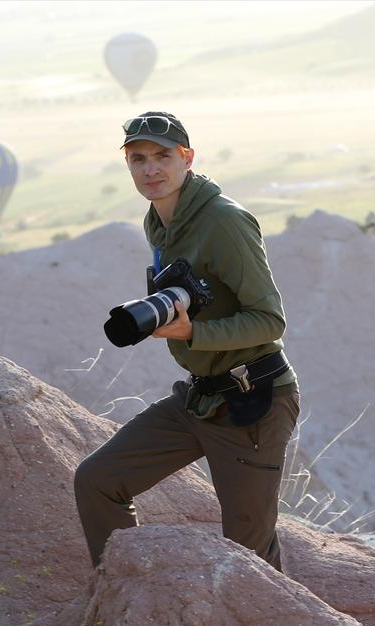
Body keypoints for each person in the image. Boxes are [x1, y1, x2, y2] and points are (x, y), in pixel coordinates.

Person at [74, 111, 300, 572]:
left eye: (162, 156)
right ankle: (126, 592)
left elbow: (269, 320)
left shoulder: (225, 222)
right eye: (138, 159)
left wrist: (194, 332)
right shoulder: (157, 222)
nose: (150, 169)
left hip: (252, 399)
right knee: (97, 480)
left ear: (188, 157)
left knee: (249, 553)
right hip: (200, 395)